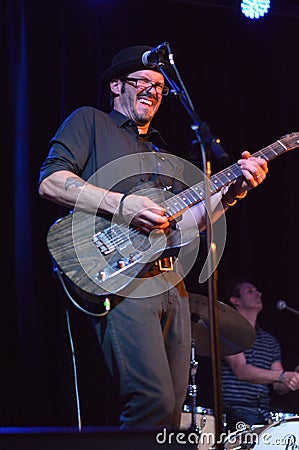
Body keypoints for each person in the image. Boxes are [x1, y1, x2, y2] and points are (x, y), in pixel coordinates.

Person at [38, 44, 269, 429]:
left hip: (171, 284)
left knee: (173, 410)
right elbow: (51, 182)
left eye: (160, 86)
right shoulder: (91, 122)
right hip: (122, 279)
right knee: (152, 400)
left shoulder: (162, 153)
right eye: (142, 81)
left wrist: (232, 192)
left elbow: (189, 222)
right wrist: (122, 204)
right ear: (115, 86)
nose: (152, 90)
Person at [221, 276, 299, 432]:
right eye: (250, 291)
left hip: (263, 414)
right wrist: (283, 376)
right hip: (234, 410)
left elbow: (278, 386)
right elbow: (240, 370)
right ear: (235, 300)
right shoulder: (227, 331)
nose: (259, 294)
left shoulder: (269, 341)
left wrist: (294, 377)